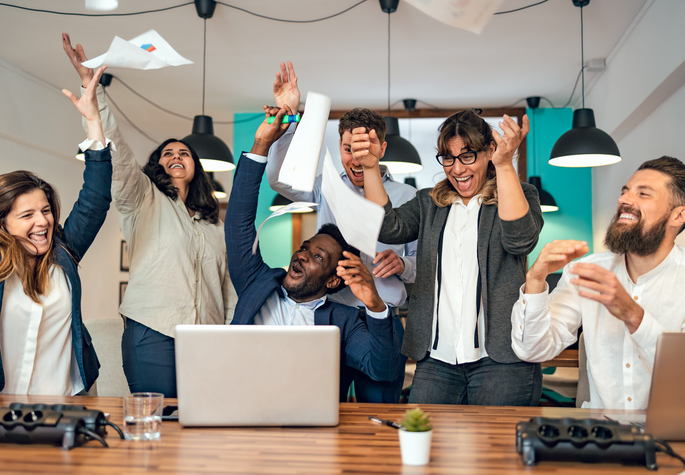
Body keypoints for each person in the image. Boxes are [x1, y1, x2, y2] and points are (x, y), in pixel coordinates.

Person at [63, 34, 236, 398]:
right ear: (157, 164)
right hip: (152, 333)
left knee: (206, 424)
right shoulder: (143, 198)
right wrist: (93, 92)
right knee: (161, 429)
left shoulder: (214, 225)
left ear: (197, 167)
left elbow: (227, 287)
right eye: (167, 152)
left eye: (185, 152)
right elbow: (120, 155)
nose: (176, 155)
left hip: (208, 338)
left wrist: (234, 333)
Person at [359, 109, 544, 406]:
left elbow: (520, 240)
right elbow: (386, 226)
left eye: (467, 156)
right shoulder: (429, 203)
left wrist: (506, 166)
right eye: (448, 158)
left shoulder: (520, 194)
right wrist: (370, 168)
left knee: (498, 450)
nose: (457, 169)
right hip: (437, 360)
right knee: (427, 445)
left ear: (489, 152)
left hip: (501, 359)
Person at [0, 68, 112, 395]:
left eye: (47, 210)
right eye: (27, 215)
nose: (43, 222)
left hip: (66, 399)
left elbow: (95, 199)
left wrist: (94, 122)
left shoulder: (63, 250)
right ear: (1, 222)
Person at [226, 104, 402, 400]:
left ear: (334, 280)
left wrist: (374, 303)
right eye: (305, 248)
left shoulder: (343, 322)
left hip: (308, 426)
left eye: (319, 257)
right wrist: (262, 144)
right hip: (245, 405)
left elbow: (382, 369)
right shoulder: (258, 284)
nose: (303, 255)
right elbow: (238, 222)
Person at [265, 62, 415, 403]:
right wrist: (290, 120)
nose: (356, 157)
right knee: (318, 404)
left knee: (379, 416)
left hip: (383, 320)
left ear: (382, 150)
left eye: (365, 149)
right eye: (348, 149)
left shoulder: (408, 198)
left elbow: (424, 269)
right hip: (331, 317)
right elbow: (278, 180)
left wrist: (404, 266)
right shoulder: (326, 187)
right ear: (340, 147)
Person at [511, 157, 685, 409]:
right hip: (599, 436)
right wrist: (535, 279)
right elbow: (532, 350)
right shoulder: (586, 271)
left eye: (643, 193)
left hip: (673, 439)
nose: (624, 199)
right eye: (624, 192)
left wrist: (632, 314)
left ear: (679, 215)